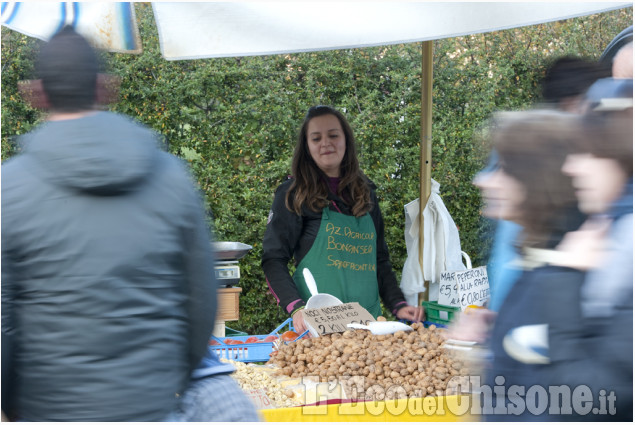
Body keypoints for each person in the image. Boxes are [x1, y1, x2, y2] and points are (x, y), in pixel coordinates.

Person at [1, 27, 219, 421]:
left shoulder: (9, 189)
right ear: (105, 88)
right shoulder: (171, 177)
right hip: (150, 407)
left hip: (48, 410)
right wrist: (170, 381)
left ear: (36, 93)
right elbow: (201, 303)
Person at [262, 105, 423, 334]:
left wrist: (398, 304)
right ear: (307, 147)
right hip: (319, 327)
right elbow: (273, 259)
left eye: (333, 135)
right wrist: (295, 307)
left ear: (346, 140)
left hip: (370, 327)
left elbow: (380, 260)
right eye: (316, 138)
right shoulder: (293, 193)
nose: (326, 143)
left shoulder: (366, 191)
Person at [471, 110, 587, 421]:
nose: (481, 180)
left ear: (538, 179)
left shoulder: (560, 278)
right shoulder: (537, 260)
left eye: (503, 168)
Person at [545, 78, 633, 421]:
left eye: (584, 151)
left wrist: (562, 277)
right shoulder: (610, 229)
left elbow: (582, 399)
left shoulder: (627, 244)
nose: (570, 167)